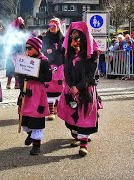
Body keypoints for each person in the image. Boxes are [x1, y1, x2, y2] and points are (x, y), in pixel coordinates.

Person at [57, 22, 102, 157]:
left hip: (85, 89)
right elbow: (67, 71)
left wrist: (79, 87)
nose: (74, 41)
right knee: (72, 113)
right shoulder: (70, 54)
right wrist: (71, 86)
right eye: (72, 38)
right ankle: (77, 136)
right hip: (72, 89)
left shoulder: (92, 53)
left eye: (77, 38)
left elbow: (91, 74)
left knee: (84, 116)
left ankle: (83, 143)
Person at [17, 37, 52, 155]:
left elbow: (48, 77)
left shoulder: (44, 61)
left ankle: (37, 145)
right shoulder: (25, 59)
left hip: (37, 92)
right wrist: (22, 88)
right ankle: (30, 134)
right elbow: (21, 76)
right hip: (26, 91)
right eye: (26, 48)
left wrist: (34, 75)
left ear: (37, 48)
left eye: (29, 48)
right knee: (25, 118)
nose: (27, 50)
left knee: (36, 117)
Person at [41, 18, 65, 120]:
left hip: (60, 65)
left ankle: (57, 106)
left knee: (60, 88)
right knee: (49, 88)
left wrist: (55, 50)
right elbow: (41, 49)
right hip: (49, 65)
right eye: (50, 26)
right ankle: (51, 111)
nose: (51, 28)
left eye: (54, 26)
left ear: (58, 26)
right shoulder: (45, 37)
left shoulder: (63, 38)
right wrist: (47, 51)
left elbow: (65, 51)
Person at [6, 17, 25, 89]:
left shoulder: (20, 32)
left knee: (17, 68)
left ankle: (16, 83)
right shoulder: (12, 32)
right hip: (12, 52)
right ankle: (9, 83)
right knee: (11, 68)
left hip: (18, 52)